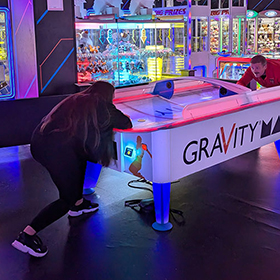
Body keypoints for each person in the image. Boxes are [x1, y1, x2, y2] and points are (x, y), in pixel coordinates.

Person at [12, 81, 132, 257]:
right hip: (57, 150)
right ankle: (27, 235)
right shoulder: (101, 105)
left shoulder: (76, 99)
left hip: (40, 143)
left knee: (81, 157)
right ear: (108, 95)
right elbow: (125, 123)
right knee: (65, 199)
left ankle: (78, 205)